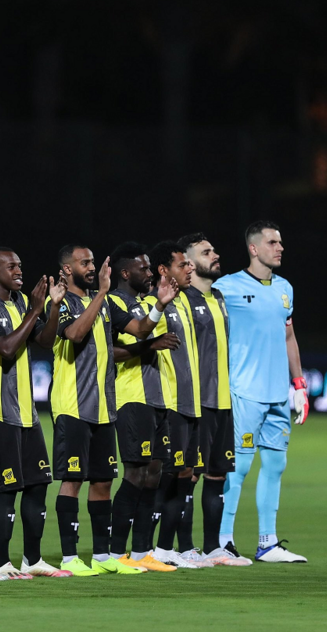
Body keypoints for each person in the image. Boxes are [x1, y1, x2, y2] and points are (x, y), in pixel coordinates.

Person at [48, 244, 177, 577]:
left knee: (103, 481)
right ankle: (69, 557)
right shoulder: (63, 303)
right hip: (73, 403)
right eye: (84, 262)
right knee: (72, 480)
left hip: (105, 405)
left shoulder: (103, 303)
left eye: (93, 261)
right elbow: (75, 335)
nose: (91, 267)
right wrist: (102, 293)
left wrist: (160, 305)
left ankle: (104, 556)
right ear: (66, 269)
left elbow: (139, 329)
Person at [0, 247, 71, 578]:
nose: (19, 269)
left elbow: (44, 339)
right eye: (10, 265)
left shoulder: (19, 303)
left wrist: (51, 307)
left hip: (26, 413)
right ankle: (1, 563)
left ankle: (33, 558)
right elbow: (7, 348)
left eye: (20, 263)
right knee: (7, 488)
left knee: (38, 483)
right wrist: (35, 308)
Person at [213, 221, 309, 563]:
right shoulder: (227, 288)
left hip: (277, 395)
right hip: (245, 391)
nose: (280, 247)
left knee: (275, 465)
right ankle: (222, 541)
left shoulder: (285, 288)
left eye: (280, 242)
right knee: (237, 468)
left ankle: (267, 543)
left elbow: (288, 338)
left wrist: (298, 385)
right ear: (254, 249)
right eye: (272, 242)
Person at [107, 243, 187, 571]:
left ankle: (141, 552)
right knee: (135, 473)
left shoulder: (145, 303)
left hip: (157, 398)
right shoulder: (112, 301)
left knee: (154, 474)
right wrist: (149, 344)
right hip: (131, 397)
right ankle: (114, 553)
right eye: (143, 268)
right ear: (126, 273)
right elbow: (109, 352)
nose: (150, 272)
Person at [176, 233, 246, 566]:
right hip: (195, 403)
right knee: (188, 475)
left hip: (222, 401)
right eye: (207, 252)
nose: (215, 255)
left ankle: (212, 547)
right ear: (188, 262)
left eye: (214, 250)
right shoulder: (181, 300)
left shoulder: (218, 296)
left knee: (217, 475)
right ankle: (186, 547)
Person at [138, 241, 204, 570]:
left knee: (186, 474)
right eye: (182, 265)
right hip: (170, 401)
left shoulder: (186, 302)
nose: (189, 269)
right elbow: (139, 341)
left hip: (192, 402)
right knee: (164, 474)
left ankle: (166, 546)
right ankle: (148, 547)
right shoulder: (154, 303)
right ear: (164, 270)